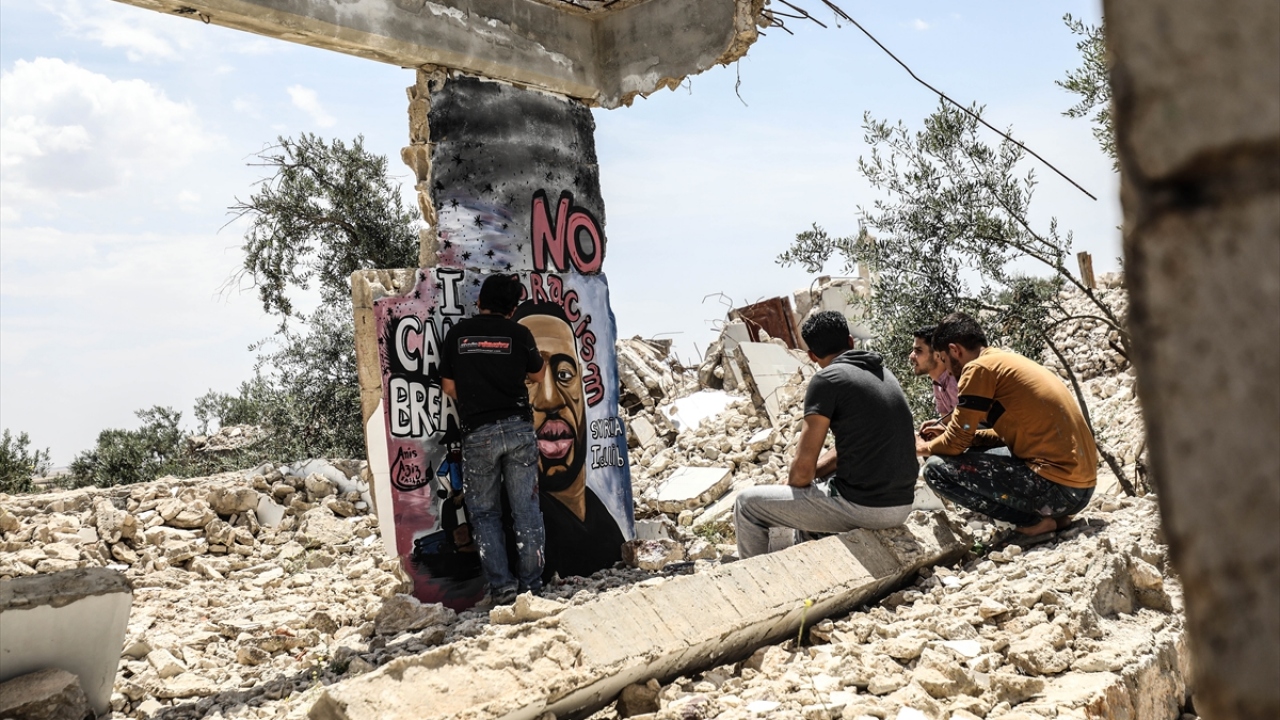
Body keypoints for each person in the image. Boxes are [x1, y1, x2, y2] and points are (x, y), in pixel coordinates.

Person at [733, 311, 918, 559]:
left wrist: (793, 483)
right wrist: (814, 476)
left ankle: (760, 584)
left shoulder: (827, 379)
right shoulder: (884, 374)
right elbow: (856, 447)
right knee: (816, 488)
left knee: (747, 504)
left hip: (867, 508)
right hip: (902, 503)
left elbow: (801, 472)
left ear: (811, 356)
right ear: (850, 342)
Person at [917, 312, 1098, 536]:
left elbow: (955, 442)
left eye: (944, 360)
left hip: (1059, 491)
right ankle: (1056, 520)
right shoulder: (1004, 361)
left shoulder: (977, 369)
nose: (949, 370)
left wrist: (920, 447)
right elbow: (1009, 434)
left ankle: (1031, 523)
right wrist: (961, 436)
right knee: (972, 448)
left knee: (935, 470)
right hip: (1081, 488)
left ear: (955, 350)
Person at [439, 274, 546, 604]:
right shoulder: (520, 333)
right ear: (513, 308)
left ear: (480, 302)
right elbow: (538, 373)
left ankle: (503, 589)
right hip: (518, 429)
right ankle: (531, 587)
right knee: (526, 510)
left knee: (485, 515)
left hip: (478, 434)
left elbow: (449, 387)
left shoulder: (458, 335)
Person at [512, 300, 626, 580]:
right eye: (529, 378)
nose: (550, 399)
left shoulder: (604, 520)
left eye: (564, 375)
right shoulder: (519, 520)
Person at [909, 325, 958, 440]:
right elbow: (947, 422)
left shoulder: (957, 381)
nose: (911, 356)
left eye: (918, 351)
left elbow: (972, 425)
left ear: (937, 355)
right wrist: (936, 426)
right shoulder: (938, 383)